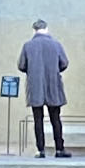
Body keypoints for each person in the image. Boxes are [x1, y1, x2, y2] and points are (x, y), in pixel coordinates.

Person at [19, 19, 68, 160]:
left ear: (34, 30)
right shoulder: (56, 45)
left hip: (35, 86)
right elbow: (64, 63)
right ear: (47, 29)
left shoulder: (28, 46)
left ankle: (40, 150)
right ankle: (59, 149)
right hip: (53, 85)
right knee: (55, 119)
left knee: (38, 120)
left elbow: (21, 65)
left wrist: (33, 70)